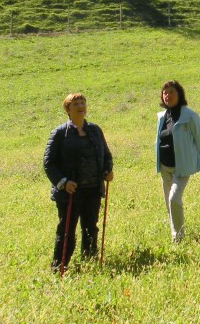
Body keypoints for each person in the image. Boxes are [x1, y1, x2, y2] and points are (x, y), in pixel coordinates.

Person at [43, 93, 114, 271]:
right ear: (67, 109)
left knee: (91, 228)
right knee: (66, 232)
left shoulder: (95, 130)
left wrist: (107, 170)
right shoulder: (59, 133)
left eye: (83, 102)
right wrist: (63, 182)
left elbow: (106, 155)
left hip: (92, 189)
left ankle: (89, 263)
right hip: (70, 192)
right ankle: (59, 267)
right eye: (76, 103)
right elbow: (48, 163)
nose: (81, 105)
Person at [155, 80, 200, 243]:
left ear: (179, 95)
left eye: (171, 92)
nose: (168, 95)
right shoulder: (161, 117)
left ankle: (177, 238)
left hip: (181, 167)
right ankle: (176, 232)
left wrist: (191, 159)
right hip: (165, 167)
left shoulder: (189, 115)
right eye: (165, 93)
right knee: (168, 204)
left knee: (174, 199)